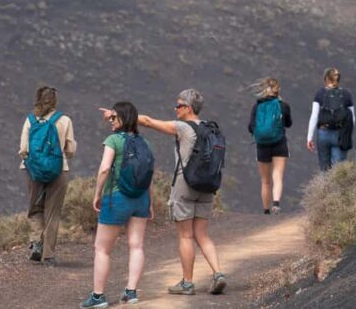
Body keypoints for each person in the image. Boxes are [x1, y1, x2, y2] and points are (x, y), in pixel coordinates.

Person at [138, 89, 227, 296]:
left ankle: (187, 283)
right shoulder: (210, 129)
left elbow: (149, 122)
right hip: (207, 186)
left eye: (178, 106)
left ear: (187, 108)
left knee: (186, 236)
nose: (175, 109)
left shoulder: (183, 128)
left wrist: (120, 115)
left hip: (185, 184)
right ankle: (218, 273)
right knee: (203, 235)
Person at [80, 101, 153, 308]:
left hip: (117, 198)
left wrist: (97, 194)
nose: (111, 121)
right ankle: (131, 292)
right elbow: (149, 174)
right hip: (141, 199)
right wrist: (150, 202)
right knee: (136, 245)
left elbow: (104, 169)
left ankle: (98, 296)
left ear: (121, 119)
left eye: (114, 118)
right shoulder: (144, 141)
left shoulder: (113, 140)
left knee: (102, 249)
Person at [18, 85, 76, 266]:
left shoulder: (30, 120)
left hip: (33, 171)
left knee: (35, 208)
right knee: (53, 212)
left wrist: (34, 162)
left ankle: (36, 242)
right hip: (59, 170)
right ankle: (48, 255)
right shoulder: (65, 120)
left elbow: (23, 149)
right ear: (55, 101)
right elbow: (71, 149)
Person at [248, 78, 292, 214]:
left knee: (265, 180)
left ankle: (266, 211)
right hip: (279, 143)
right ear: (278, 90)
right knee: (277, 175)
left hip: (262, 145)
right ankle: (276, 204)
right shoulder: (283, 105)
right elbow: (289, 124)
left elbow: (251, 127)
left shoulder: (257, 106)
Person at [306, 67, 355, 171]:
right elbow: (352, 117)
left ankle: (323, 187)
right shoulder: (346, 94)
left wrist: (309, 137)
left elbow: (314, 116)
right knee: (338, 171)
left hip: (323, 134)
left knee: (324, 169)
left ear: (325, 79)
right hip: (340, 135)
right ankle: (336, 187)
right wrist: (348, 135)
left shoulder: (320, 93)